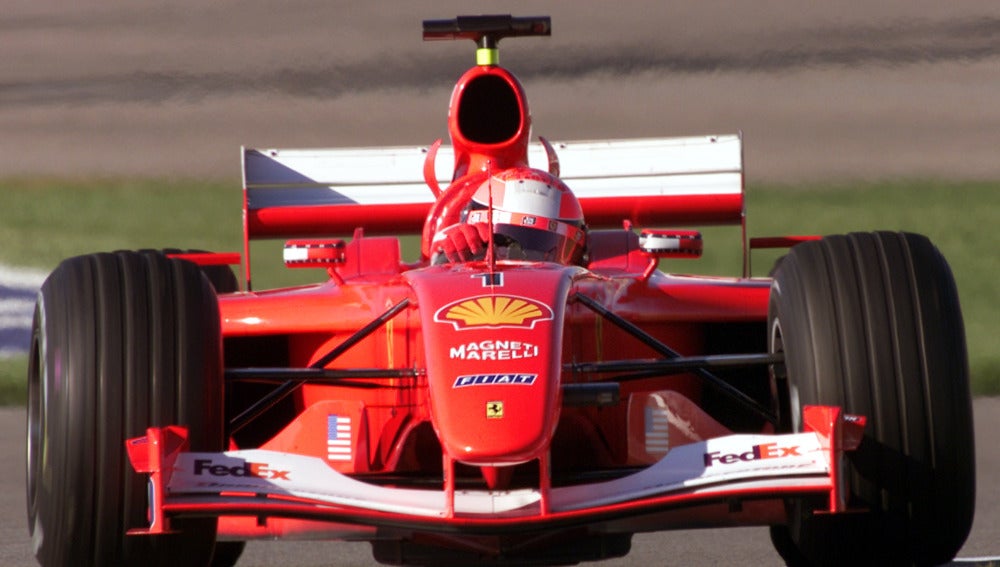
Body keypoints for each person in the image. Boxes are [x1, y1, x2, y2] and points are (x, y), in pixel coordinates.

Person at [429, 166, 586, 265]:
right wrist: (443, 261)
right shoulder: (457, 254)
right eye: (502, 244)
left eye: (539, 250)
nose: (525, 264)